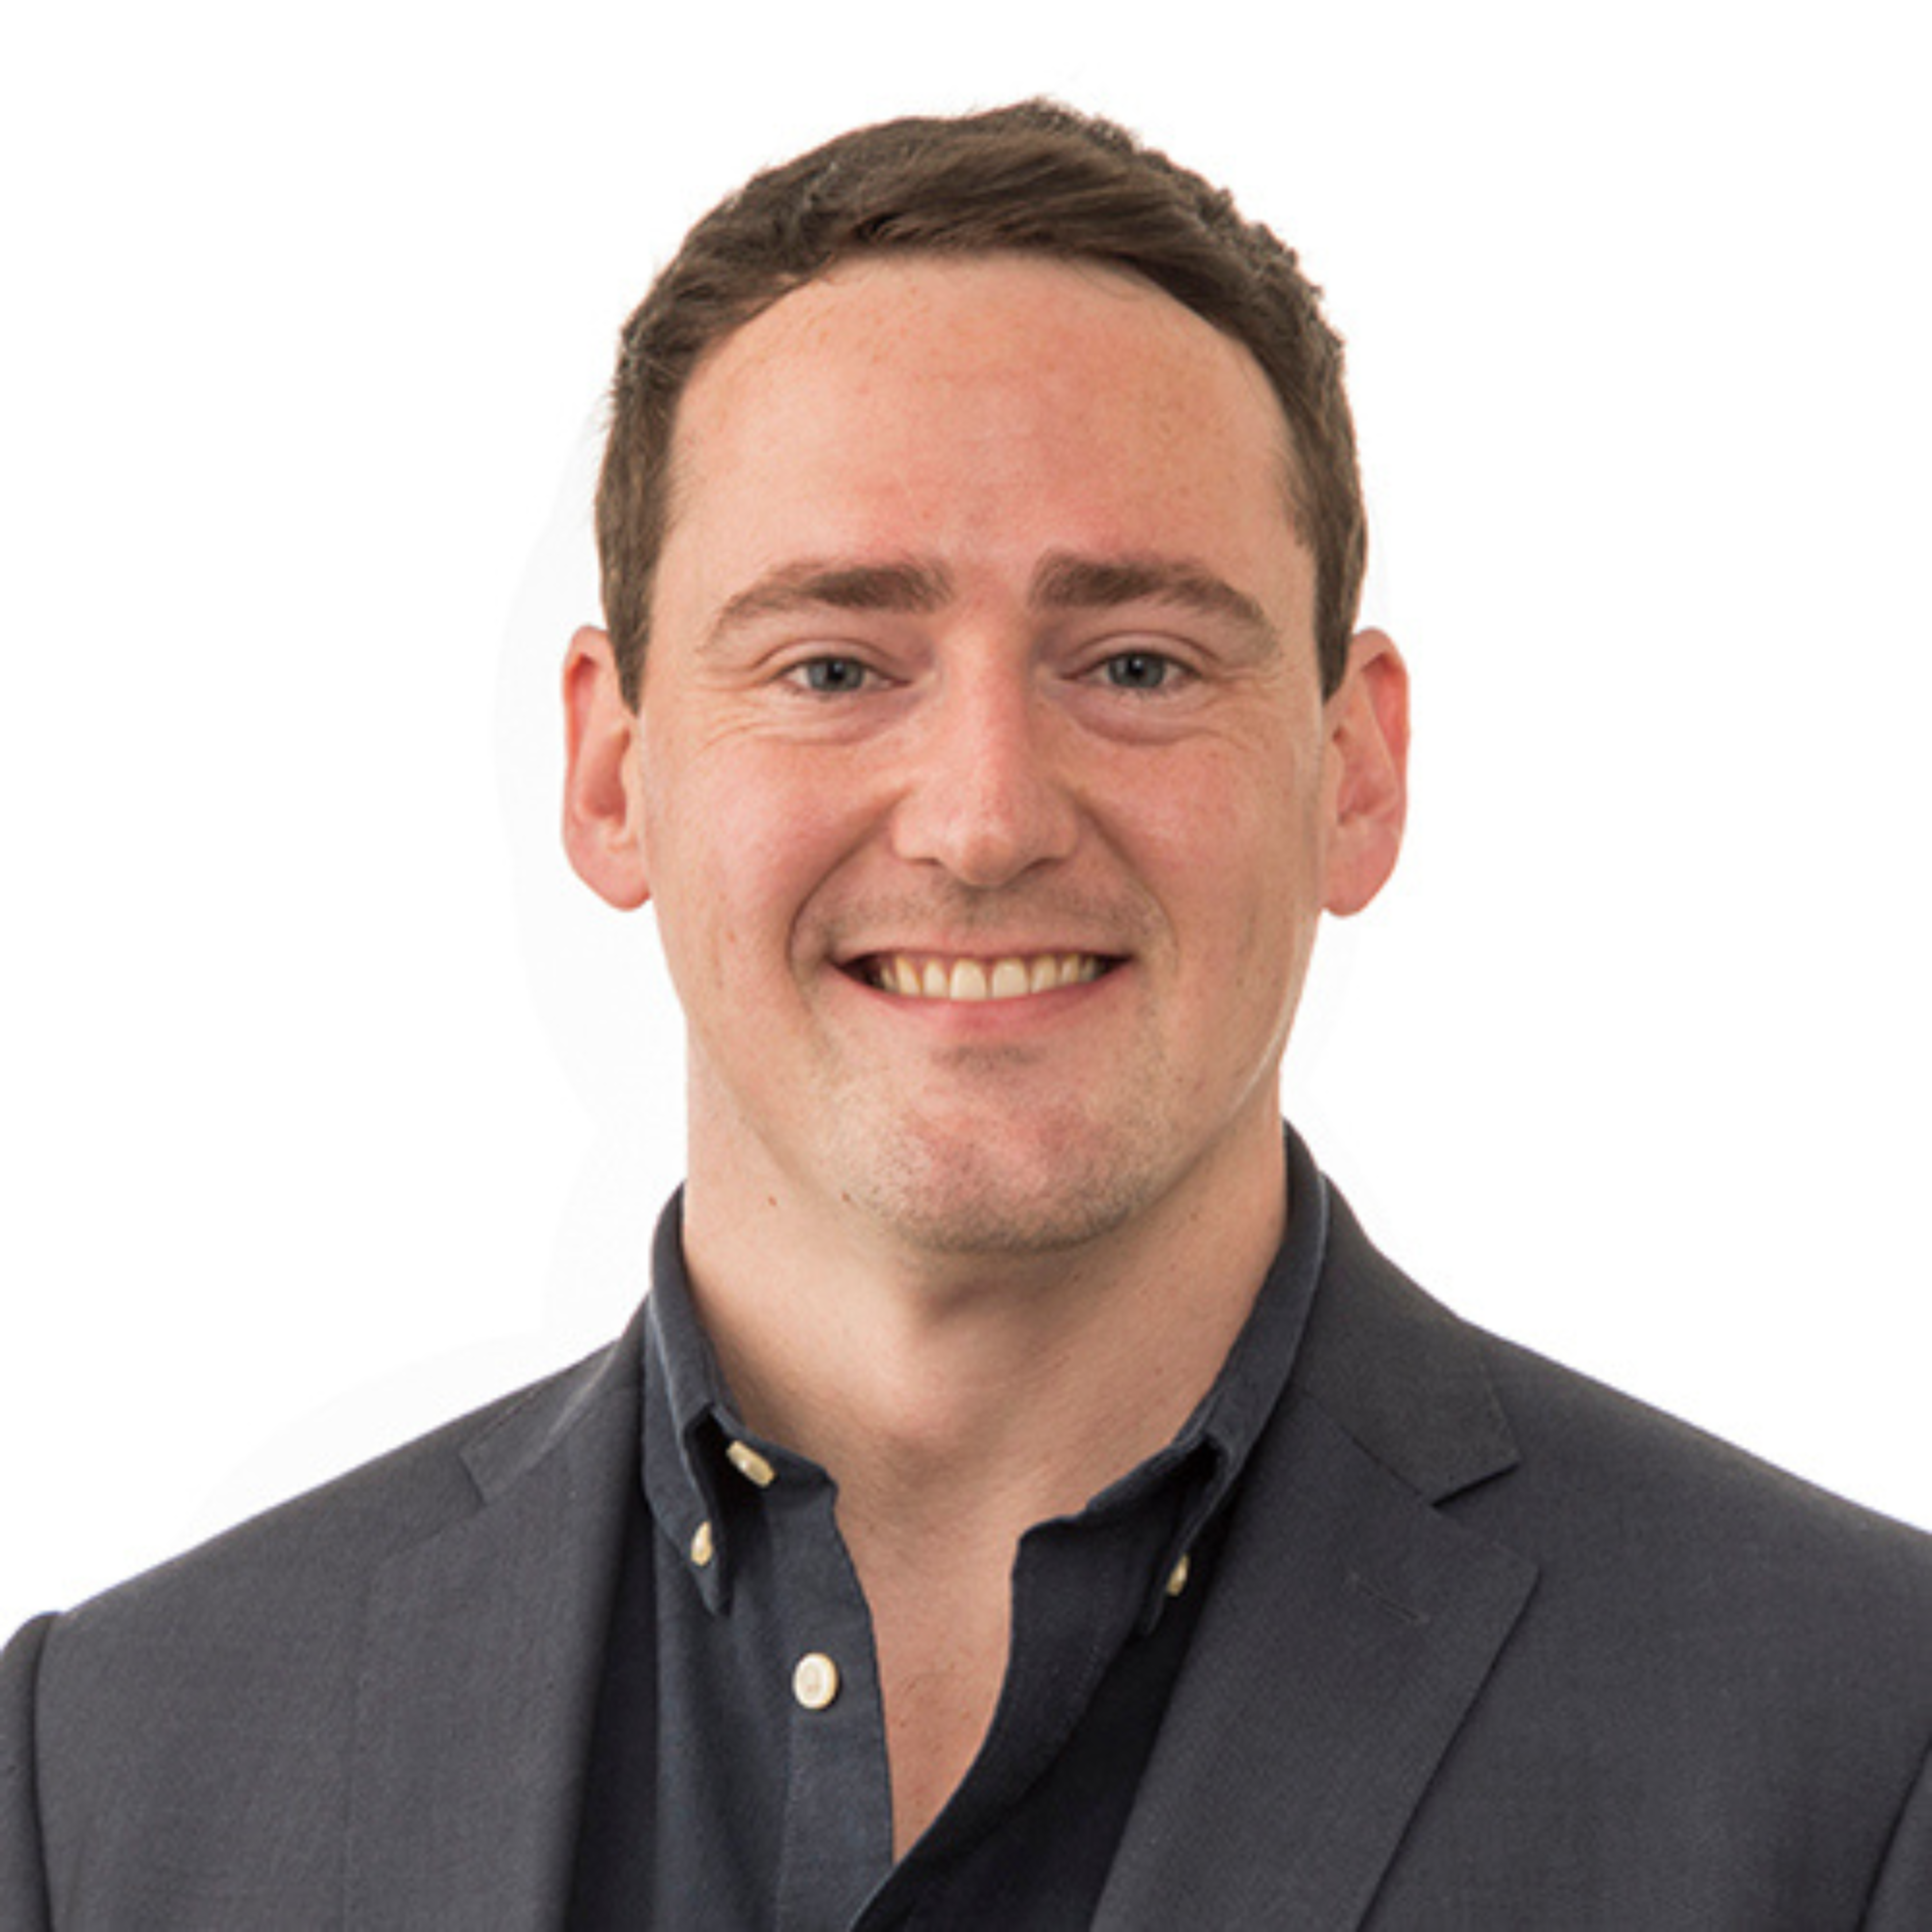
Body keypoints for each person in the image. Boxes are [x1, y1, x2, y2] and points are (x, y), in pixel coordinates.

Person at [3, 99, 1928, 1929]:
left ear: (1352, 771)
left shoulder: (1855, 1747)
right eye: (835, 661)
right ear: (610, 774)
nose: (987, 816)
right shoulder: (107, 1781)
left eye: (1139, 661)